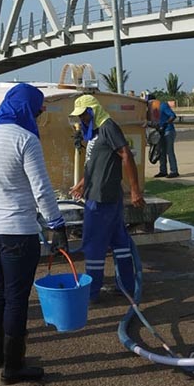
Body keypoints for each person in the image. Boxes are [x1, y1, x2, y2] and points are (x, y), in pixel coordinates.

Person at [0, 83, 67, 384]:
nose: (37, 115)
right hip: (18, 232)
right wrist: (56, 224)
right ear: (25, 109)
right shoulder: (25, 139)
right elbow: (42, 189)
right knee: (17, 298)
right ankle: (13, 366)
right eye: (37, 109)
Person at [69, 94, 145, 303]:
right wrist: (83, 183)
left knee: (93, 244)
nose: (82, 119)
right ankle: (126, 287)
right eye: (80, 117)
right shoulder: (95, 132)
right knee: (119, 240)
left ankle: (92, 292)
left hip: (102, 197)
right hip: (101, 194)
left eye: (84, 115)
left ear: (93, 111)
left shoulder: (108, 127)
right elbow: (96, 163)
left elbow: (126, 155)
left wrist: (135, 190)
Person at [154, 100, 179, 178]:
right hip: (160, 132)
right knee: (161, 152)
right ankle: (163, 171)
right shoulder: (153, 109)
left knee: (169, 151)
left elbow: (173, 116)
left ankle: (174, 171)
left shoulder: (163, 106)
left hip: (168, 131)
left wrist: (165, 124)